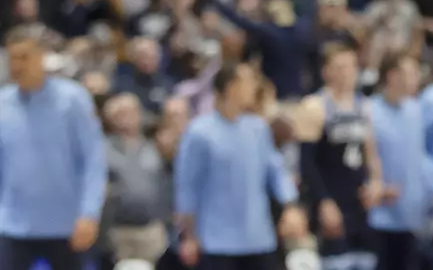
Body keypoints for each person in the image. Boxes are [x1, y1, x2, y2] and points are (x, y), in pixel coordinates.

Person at [174, 62, 309, 270]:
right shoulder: (199, 132)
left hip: (258, 237)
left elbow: (276, 171)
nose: (254, 88)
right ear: (231, 87)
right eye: (248, 82)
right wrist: (188, 235)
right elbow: (187, 187)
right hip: (216, 241)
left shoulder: (258, 128)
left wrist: (291, 206)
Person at [0, 25, 106, 270]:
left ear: (42, 58)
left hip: (66, 225)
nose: (17, 65)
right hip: (12, 224)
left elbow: (93, 159)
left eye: (24, 57)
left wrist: (89, 213)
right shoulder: (2, 104)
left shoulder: (73, 100)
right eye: (12, 58)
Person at [294, 42, 383, 270]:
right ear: (326, 71)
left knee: (365, 260)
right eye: (340, 67)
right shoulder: (314, 106)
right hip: (331, 196)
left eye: (351, 66)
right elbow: (306, 162)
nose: (348, 73)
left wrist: (375, 181)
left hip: (358, 199)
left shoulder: (364, 106)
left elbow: (370, 152)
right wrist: (323, 201)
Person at [367, 52, 433, 270]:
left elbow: (421, 156)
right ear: (392, 76)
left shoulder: (416, 110)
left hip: (414, 214)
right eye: (410, 73)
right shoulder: (370, 111)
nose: (416, 78)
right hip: (380, 215)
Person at [103, 92, 171, 267]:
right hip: (119, 231)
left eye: (133, 111)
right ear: (112, 118)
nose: (128, 118)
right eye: (122, 113)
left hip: (150, 229)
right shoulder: (103, 149)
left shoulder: (153, 147)